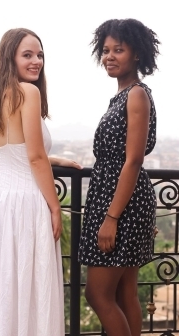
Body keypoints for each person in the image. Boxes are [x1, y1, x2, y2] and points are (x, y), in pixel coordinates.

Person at [0, 28, 82, 336]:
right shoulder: (28, 93)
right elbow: (33, 157)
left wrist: (54, 160)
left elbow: (12, 152)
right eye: (27, 54)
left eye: (40, 55)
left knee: (0, 286)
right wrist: (55, 207)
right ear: (10, 57)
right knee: (32, 286)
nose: (36, 61)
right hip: (28, 203)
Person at [78, 19, 160, 336]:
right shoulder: (124, 95)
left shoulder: (136, 95)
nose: (109, 56)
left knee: (97, 294)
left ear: (136, 54)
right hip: (120, 199)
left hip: (120, 204)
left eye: (119, 50)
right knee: (125, 294)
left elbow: (134, 160)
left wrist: (111, 217)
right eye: (106, 50)